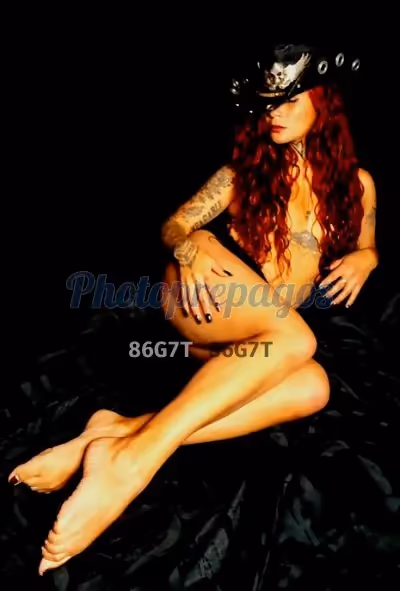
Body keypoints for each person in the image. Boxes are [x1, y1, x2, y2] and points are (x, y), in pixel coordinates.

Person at [9, 44, 378, 575]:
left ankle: (115, 433)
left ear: (324, 102)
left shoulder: (358, 186)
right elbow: (175, 226)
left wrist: (368, 256)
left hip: (255, 340)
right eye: (267, 103)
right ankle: (131, 462)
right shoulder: (242, 173)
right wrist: (186, 247)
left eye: (289, 100)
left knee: (314, 387)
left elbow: (367, 242)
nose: (274, 112)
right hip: (205, 297)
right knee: (299, 341)